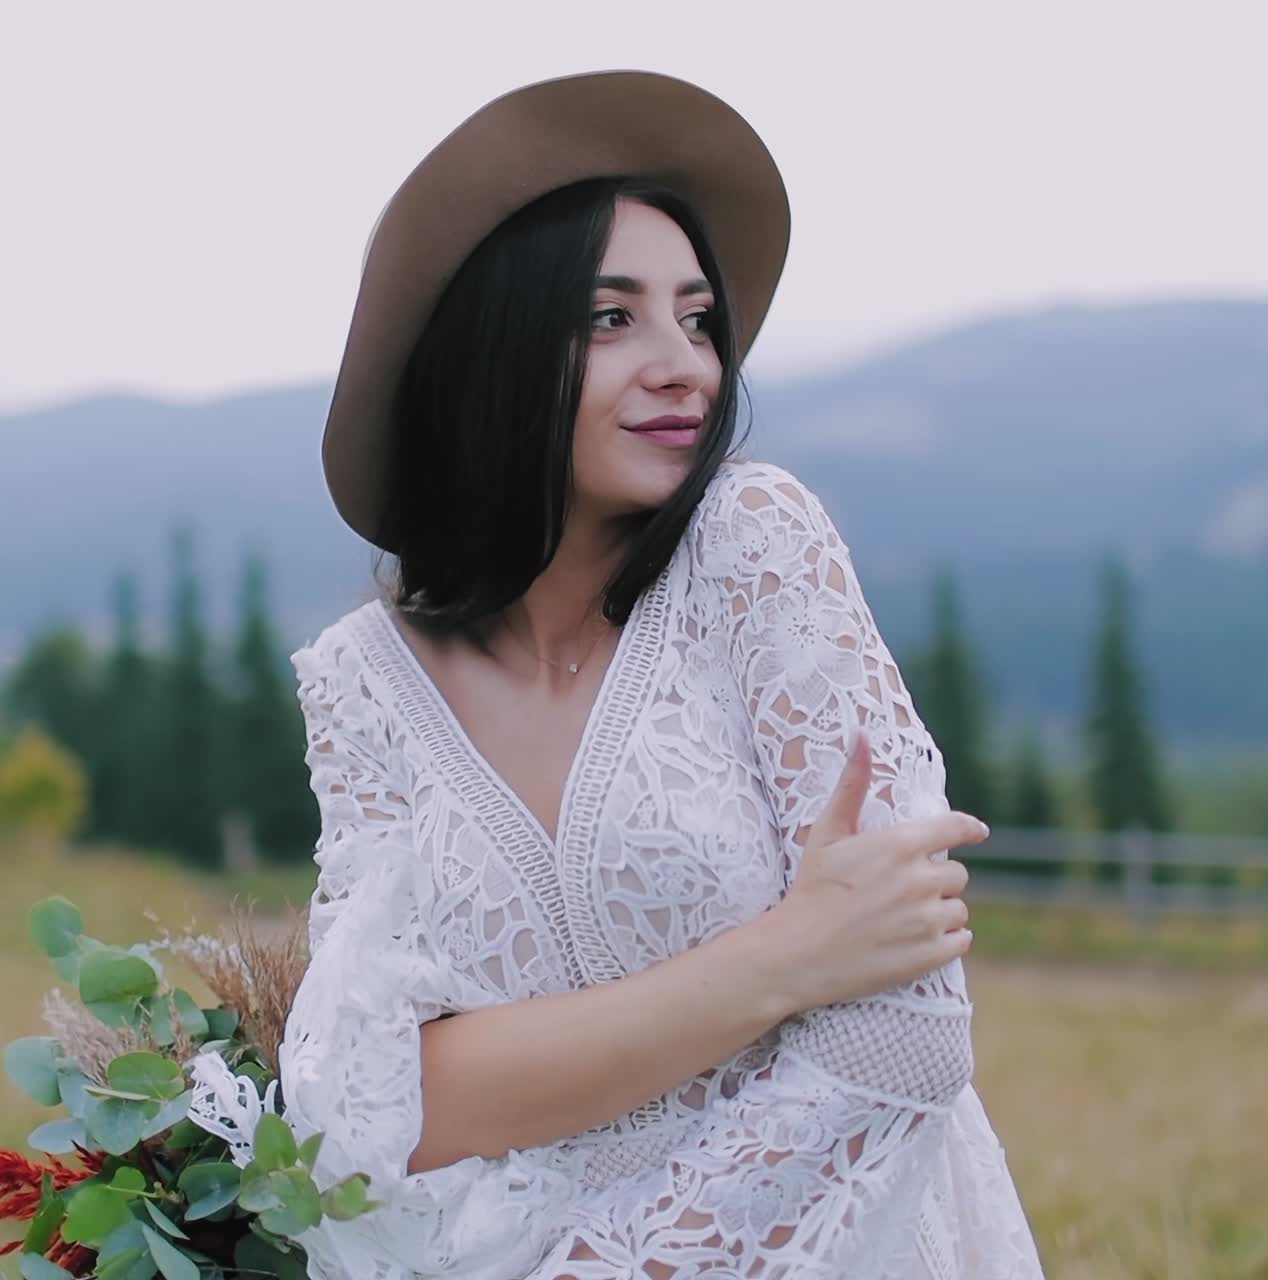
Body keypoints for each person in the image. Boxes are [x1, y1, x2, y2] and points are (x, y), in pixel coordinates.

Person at [272, 70, 1045, 1278]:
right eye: (609, 317)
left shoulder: (753, 547)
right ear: (492, 348)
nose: (685, 364)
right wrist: (782, 958)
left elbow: (907, 1026)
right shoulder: (363, 686)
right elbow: (390, 1103)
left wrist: (605, 1258)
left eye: (697, 318)